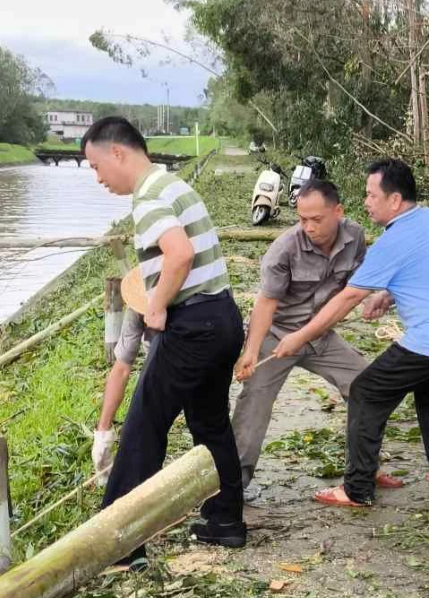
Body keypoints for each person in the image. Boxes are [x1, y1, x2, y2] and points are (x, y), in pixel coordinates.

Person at [272, 158, 429, 506]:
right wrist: (388, 296)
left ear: (394, 200)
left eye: (371, 195)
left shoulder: (394, 240)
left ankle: (356, 489)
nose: (366, 201)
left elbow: (348, 298)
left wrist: (300, 336)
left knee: (365, 391)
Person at [83, 116, 246, 568]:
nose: (98, 179)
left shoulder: (150, 196)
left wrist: (155, 306)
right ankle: (226, 520)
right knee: (210, 422)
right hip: (222, 318)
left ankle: (120, 543)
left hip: (193, 325)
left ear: (118, 153)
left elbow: (179, 253)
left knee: (142, 428)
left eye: (96, 167)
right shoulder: (171, 185)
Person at [232, 179, 402, 498]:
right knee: (254, 404)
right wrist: (252, 351)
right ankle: (232, 487)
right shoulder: (283, 249)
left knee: (367, 385)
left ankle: (365, 469)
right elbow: (265, 304)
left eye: (317, 219)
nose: (308, 227)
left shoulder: (354, 237)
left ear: (338, 211)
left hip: (320, 336)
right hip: (277, 336)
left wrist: (376, 298)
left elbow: (357, 284)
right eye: (302, 219)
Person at [91, 308, 145, 486]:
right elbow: (121, 369)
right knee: (140, 435)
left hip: (201, 358)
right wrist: (103, 433)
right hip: (162, 366)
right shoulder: (138, 308)